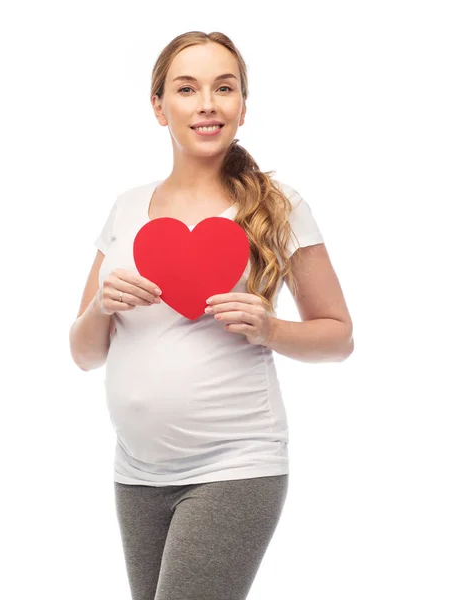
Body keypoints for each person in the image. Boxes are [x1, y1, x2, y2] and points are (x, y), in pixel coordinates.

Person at [69, 31, 353, 600]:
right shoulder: (127, 208)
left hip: (236, 466)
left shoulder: (278, 205)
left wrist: (270, 327)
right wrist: (104, 302)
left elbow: (338, 335)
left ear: (243, 106)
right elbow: (83, 353)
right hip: (137, 473)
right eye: (186, 88)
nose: (207, 103)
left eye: (224, 88)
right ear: (158, 106)